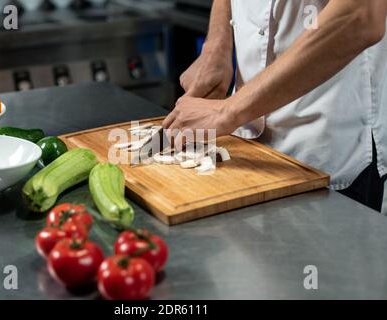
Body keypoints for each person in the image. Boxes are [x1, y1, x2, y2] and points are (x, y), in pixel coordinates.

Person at [162, 0, 387, 212]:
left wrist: (227, 111)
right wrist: (217, 44)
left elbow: (362, 15)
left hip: (328, 152)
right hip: (245, 146)